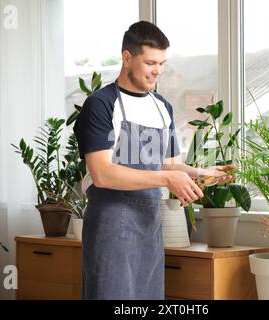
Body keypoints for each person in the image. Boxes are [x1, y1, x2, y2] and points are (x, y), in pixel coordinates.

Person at [74, 20, 236, 300]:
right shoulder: (101, 104)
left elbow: (166, 164)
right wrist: (165, 178)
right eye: (150, 62)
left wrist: (200, 171)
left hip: (149, 227)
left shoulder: (162, 107)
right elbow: (103, 173)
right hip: (111, 226)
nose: (157, 71)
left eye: (162, 63)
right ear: (127, 57)